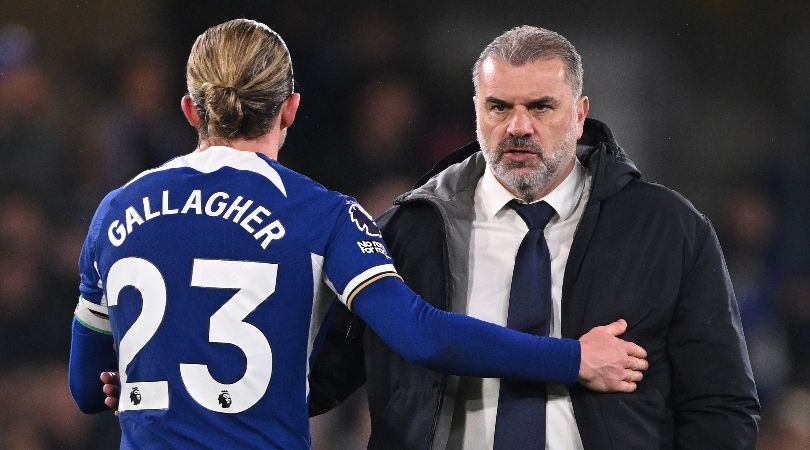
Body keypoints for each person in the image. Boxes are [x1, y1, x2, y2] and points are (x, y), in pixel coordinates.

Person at [68, 19, 649, 449]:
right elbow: (423, 336)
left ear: (191, 112)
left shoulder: (114, 213)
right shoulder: (321, 214)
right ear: (290, 109)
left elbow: (87, 392)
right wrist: (573, 357)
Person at [307, 25, 761, 449]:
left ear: (580, 114)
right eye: (499, 107)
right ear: (477, 111)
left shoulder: (667, 230)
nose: (518, 127)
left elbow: (721, 405)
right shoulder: (407, 232)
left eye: (541, 107)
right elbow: (317, 382)